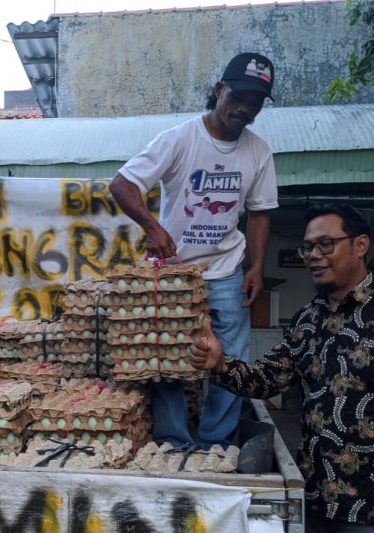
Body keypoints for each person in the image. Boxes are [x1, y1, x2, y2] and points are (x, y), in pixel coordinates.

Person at [191, 203, 374, 533]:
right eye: (307, 247)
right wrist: (220, 364)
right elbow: (268, 379)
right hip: (315, 504)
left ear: (360, 245)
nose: (313, 255)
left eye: (325, 244)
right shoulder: (308, 319)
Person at [110, 52, 278, 449]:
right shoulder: (179, 139)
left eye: (255, 102)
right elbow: (123, 185)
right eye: (239, 96)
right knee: (168, 358)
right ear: (219, 90)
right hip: (174, 273)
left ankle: (215, 444)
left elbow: (259, 214)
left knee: (232, 359)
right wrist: (152, 227)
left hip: (227, 271)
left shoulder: (258, 151)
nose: (245, 108)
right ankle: (173, 443)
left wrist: (256, 268)